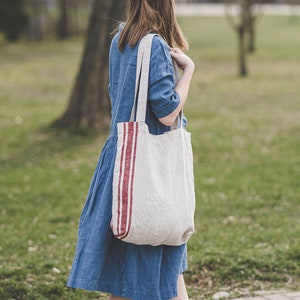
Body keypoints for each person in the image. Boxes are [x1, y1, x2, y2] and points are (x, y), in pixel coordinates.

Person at [67, 0, 195, 299]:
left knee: (126, 272)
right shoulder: (157, 47)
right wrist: (188, 71)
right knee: (160, 264)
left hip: (121, 164)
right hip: (148, 172)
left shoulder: (120, 39)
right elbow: (166, 112)